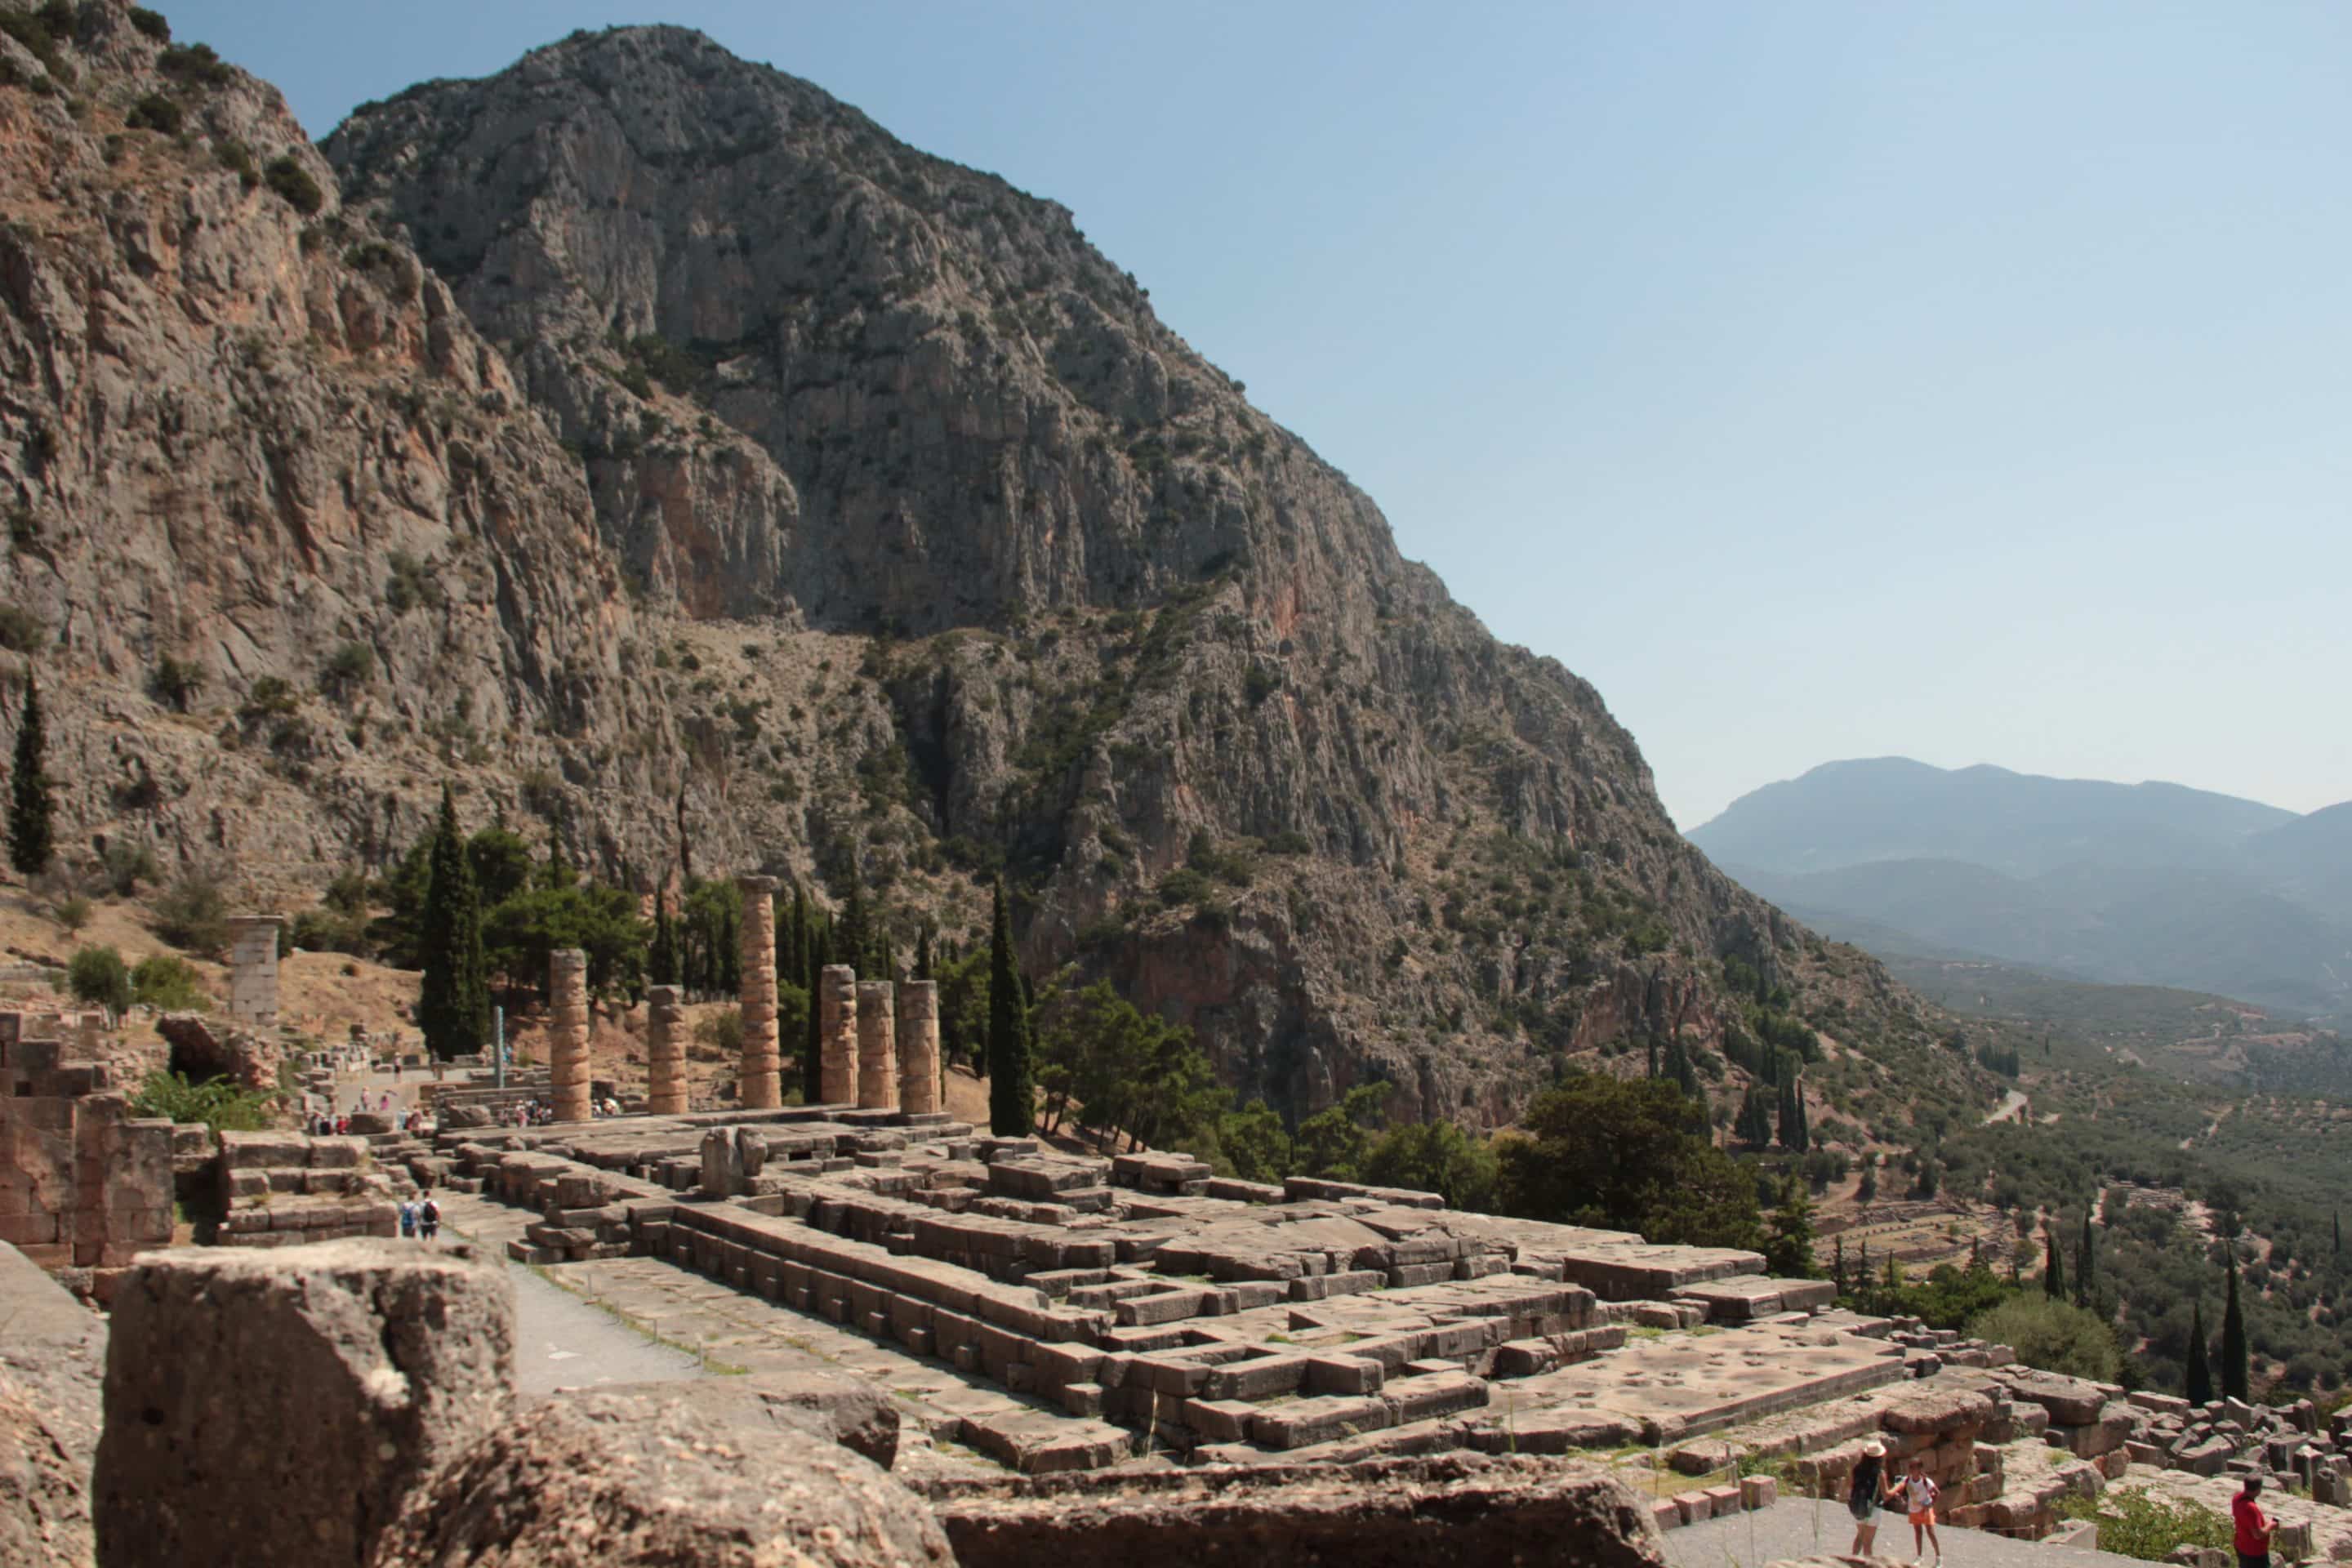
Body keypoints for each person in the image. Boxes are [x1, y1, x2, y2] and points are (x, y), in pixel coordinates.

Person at [1899, 1455, 1940, 1566]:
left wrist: (1930, 1504)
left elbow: (1937, 1492)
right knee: (1918, 1532)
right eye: (1910, 1467)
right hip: (1913, 1509)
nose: (1911, 1469)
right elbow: (1899, 1490)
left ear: (1919, 1469)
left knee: (1930, 1533)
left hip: (1925, 1510)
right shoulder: (1907, 1480)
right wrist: (1901, 1499)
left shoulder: (1926, 1481)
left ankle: (1938, 1558)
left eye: (1913, 1467)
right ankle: (1919, 1556)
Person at [1849, 1438, 1887, 1556]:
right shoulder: (1880, 1473)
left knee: (1860, 1536)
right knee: (1868, 1543)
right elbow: (1886, 1495)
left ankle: (1852, 1560)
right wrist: (1899, 1486)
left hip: (1858, 1506)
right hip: (1873, 1509)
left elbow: (1850, 1486)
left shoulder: (1856, 1469)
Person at [2234, 1474, 2274, 1568]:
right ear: (2259, 1489)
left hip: (2241, 1545)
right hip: (2255, 1552)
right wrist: (2271, 1525)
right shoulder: (2251, 1508)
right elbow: (2258, 1535)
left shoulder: (2237, 1499)